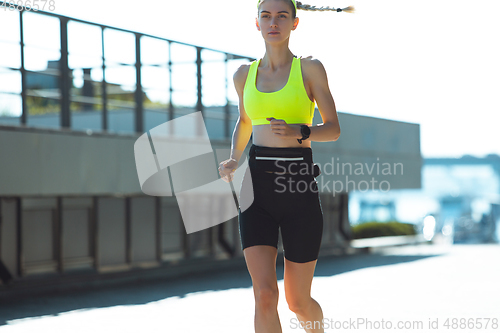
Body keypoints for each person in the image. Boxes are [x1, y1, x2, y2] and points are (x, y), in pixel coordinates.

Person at [218, 1, 351, 332]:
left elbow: (332, 128)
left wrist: (300, 131)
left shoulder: (309, 69)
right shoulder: (242, 75)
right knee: (264, 294)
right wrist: (234, 156)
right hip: (256, 189)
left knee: (298, 302)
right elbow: (245, 121)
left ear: (294, 23)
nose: (273, 22)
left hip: (298, 187)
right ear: (257, 23)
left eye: (281, 16)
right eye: (266, 16)